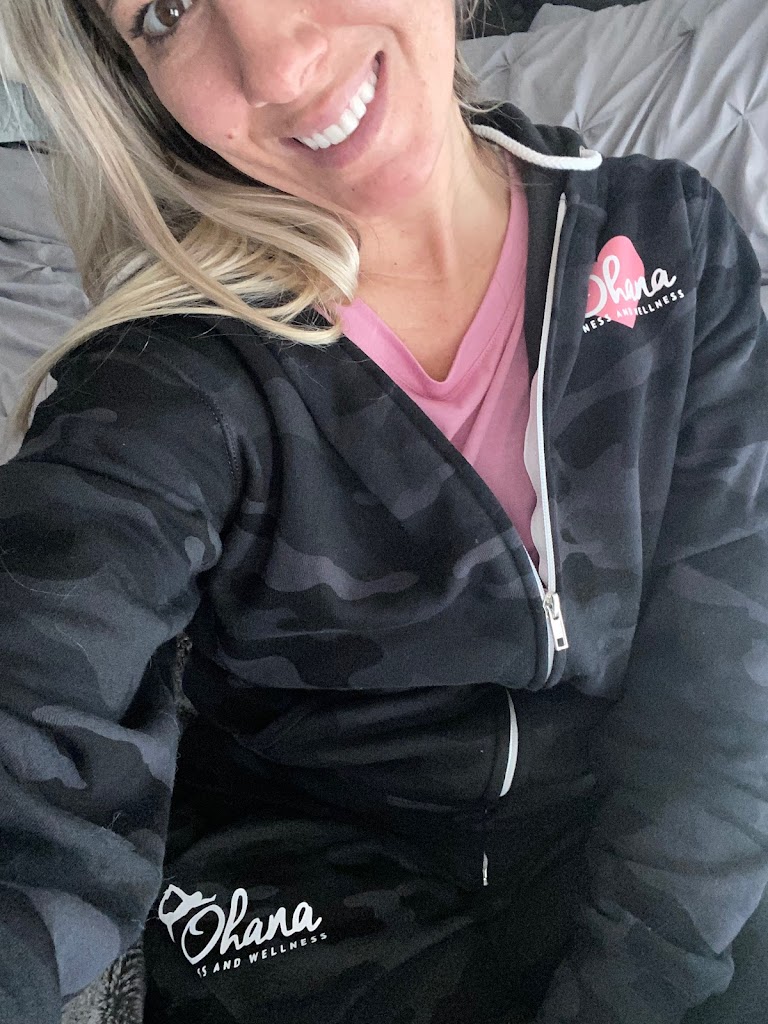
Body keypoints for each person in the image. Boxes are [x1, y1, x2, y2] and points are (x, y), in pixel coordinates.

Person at [1, 1, 767, 1023]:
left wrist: (638, 980)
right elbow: (36, 687)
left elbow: (726, 681)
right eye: (164, 10)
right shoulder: (172, 382)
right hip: (302, 905)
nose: (278, 66)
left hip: (634, 845)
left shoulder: (670, 241)